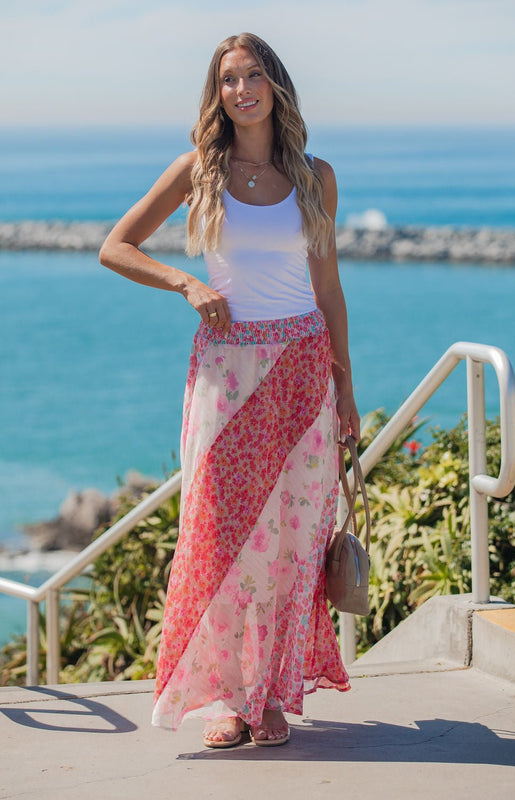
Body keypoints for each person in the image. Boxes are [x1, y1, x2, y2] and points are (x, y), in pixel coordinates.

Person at [99, 32, 360, 749]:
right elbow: (115, 245)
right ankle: (224, 697)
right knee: (218, 541)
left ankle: (270, 694)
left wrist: (345, 389)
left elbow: (329, 289)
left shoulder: (314, 175)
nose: (240, 90)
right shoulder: (198, 170)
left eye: (252, 76)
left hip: (304, 373)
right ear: (215, 95)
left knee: (292, 543)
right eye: (227, 80)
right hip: (225, 375)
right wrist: (185, 282)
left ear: (275, 85)